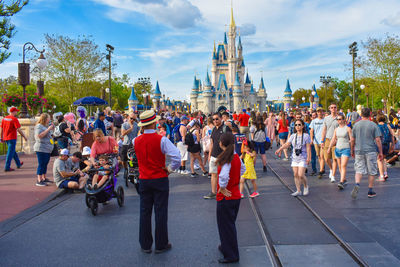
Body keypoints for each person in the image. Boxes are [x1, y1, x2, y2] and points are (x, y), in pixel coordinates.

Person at [133, 110, 181, 254]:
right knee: (161, 212)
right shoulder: (162, 139)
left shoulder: (136, 140)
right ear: (154, 123)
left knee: (144, 212)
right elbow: (177, 157)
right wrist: (169, 169)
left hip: (144, 179)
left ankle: (145, 244)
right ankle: (161, 244)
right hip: (159, 178)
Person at [216, 132, 245, 264]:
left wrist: (222, 187)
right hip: (235, 195)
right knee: (229, 224)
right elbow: (243, 170)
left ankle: (231, 254)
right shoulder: (236, 157)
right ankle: (226, 247)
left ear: (221, 143)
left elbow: (223, 176)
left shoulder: (225, 159)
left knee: (225, 226)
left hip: (226, 196)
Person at [350, 108, 383, 199]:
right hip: (370, 150)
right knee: (372, 171)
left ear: (361, 114)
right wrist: (380, 152)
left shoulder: (356, 125)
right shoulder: (373, 125)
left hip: (359, 150)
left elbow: (352, 139)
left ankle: (357, 184)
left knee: (359, 169)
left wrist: (352, 150)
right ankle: (370, 190)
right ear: (370, 114)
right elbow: (378, 140)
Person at [276, 119, 311, 196]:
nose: (297, 126)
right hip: (295, 157)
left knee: (301, 174)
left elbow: (308, 147)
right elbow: (287, 144)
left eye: (299, 125)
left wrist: (309, 157)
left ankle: (305, 186)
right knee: (295, 174)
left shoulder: (306, 136)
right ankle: (298, 190)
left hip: (303, 157)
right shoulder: (293, 136)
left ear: (302, 126)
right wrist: (279, 149)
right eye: (296, 125)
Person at [204, 112, 232, 199]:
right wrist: (209, 155)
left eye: (217, 119)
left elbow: (231, 143)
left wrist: (228, 154)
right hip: (213, 155)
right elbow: (212, 142)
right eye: (213, 119)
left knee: (224, 175)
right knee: (213, 174)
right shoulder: (213, 129)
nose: (215, 121)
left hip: (223, 156)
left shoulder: (225, 128)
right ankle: (213, 192)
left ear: (221, 119)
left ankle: (225, 191)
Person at [327, 114, 352, 189]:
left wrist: (351, 145)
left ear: (344, 120)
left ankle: (341, 182)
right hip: (337, 149)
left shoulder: (348, 129)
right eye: (337, 119)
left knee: (343, 165)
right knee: (340, 166)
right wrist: (329, 148)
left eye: (340, 119)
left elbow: (352, 139)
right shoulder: (336, 129)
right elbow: (333, 139)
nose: (339, 121)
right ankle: (343, 179)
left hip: (346, 148)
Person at [1, 107, 27, 172]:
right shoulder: (14, 119)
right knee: (10, 153)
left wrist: (1, 137)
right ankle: (7, 167)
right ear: (14, 112)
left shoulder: (4, 119)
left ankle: (18, 163)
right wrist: (24, 136)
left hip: (6, 137)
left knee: (12, 151)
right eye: (16, 111)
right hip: (12, 138)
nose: (17, 112)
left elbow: (1, 128)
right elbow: (18, 129)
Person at [34, 113, 55, 186]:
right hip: (41, 148)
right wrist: (48, 129)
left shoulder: (44, 126)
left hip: (47, 148)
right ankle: (39, 179)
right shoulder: (39, 126)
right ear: (45, 118)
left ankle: (44, 177)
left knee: (45, 163)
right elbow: (40, 136)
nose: (49, 119)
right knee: (42, 163)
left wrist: (51, 129)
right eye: (48, 118)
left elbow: (50, 135)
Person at [321, 103, 339, 182]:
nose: (333, 109)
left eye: (335, 107)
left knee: (335, 159)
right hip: (328, 139)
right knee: (326, 158)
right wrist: (322, 140)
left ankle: (333, 176)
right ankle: (331, 169)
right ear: (329, 109)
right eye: (332, 107)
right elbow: (324, 130)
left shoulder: (339, 118)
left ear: (337, 108)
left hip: (336, 140)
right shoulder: (326, 118)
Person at [376, 114, 395, 181]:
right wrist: (393, 145)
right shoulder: (388, 126)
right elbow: (392, 135)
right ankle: (385, 173)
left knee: (379, 159)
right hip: (387, 144)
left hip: (380, 145)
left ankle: (381, 176)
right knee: (383, 159)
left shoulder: (377, 126)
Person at [309, 108, 325, 177]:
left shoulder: (325, 120)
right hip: (316, 141)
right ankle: (321, 169)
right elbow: (311, 131)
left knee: (322, 156)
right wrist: (312, 139)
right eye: (318, 112)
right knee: (318, 156)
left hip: (323, 141)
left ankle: (321, 170)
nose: (320, 113)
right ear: (317, 113)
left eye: (321, 111)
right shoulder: (314, 121)